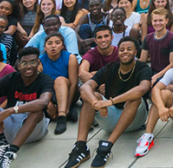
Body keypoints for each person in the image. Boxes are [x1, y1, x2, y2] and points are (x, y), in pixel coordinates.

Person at [61, 37, 154, 168]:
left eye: (129, 49)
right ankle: (81, 146)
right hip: (111, 118)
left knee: (134, 97)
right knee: (90, 96)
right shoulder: (110, 68)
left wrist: (110, 102)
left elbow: (142, 89)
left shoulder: (142, 68)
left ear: (135, 53)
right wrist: (96, 102)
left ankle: (106, 147)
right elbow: (85, 87)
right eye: (122, 49)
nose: (125, 52)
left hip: (135, 120)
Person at [0, 47, 55, 168]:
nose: (29, 66)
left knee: (37, 111)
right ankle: (2, 146)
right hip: (11, 125)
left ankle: (10, 154)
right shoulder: (12, 78)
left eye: (32, 62)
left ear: (38, 63)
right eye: (24, 63)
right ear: (19, 65)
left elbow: (43, 102)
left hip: (34, 129)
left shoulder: (45, 80)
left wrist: (11, 110)